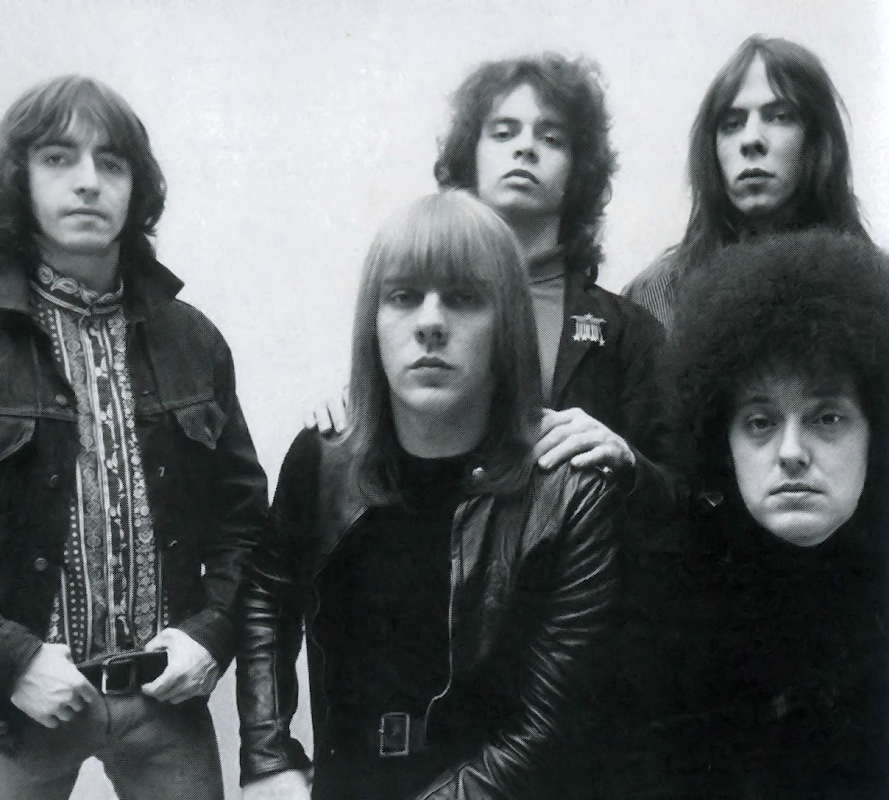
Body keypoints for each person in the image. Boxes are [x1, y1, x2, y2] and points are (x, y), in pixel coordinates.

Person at [237, 191, 621, 800]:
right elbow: (268, 590)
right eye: (403, 296)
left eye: (463, 298)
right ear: (373, 323)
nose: (430, 322)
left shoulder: (569, 491)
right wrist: (268, 756)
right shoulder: (322, 460)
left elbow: (548, 730)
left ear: (507, 326)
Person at [0, 76, 268, 799]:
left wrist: (211, 634)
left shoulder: (192, 340)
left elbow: (244, 520)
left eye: (111, 163)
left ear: (136, 187)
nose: (88, 181)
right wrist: (12, 660)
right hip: (15, 712)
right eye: (58, 158)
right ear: (18, 178)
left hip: (162, 706)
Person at [605, 230, 889, 797]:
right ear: (721, 440)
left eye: (827, 418)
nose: (791, 452)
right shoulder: (669, 601)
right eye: (761, 422)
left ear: (875, 432)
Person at [313, 53, 670, 503]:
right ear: (470, 154)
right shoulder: (414, 302)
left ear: (579, 171)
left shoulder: (627, 333)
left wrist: (629, 463)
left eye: (552, 138)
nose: (526, 148)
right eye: (503, 133)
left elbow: (685, 498)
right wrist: (360, 406)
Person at [624, 35, 871, 333]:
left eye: (779, 117)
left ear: (817, 141)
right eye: (732, 124)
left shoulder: (873, 292)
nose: (751, 139)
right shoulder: (655, 297)